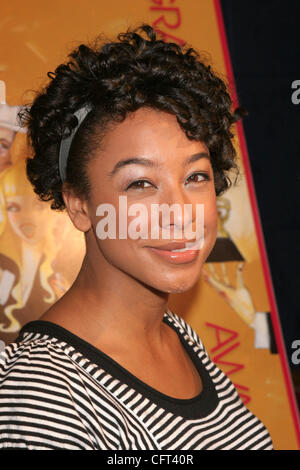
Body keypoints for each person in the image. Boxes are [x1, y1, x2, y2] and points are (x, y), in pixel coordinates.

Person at [0, 23, 273, 450]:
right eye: (140, 184)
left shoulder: (177, 335)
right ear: (79, 204)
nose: (181, 213)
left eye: (196, 176)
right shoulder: (48, 393)